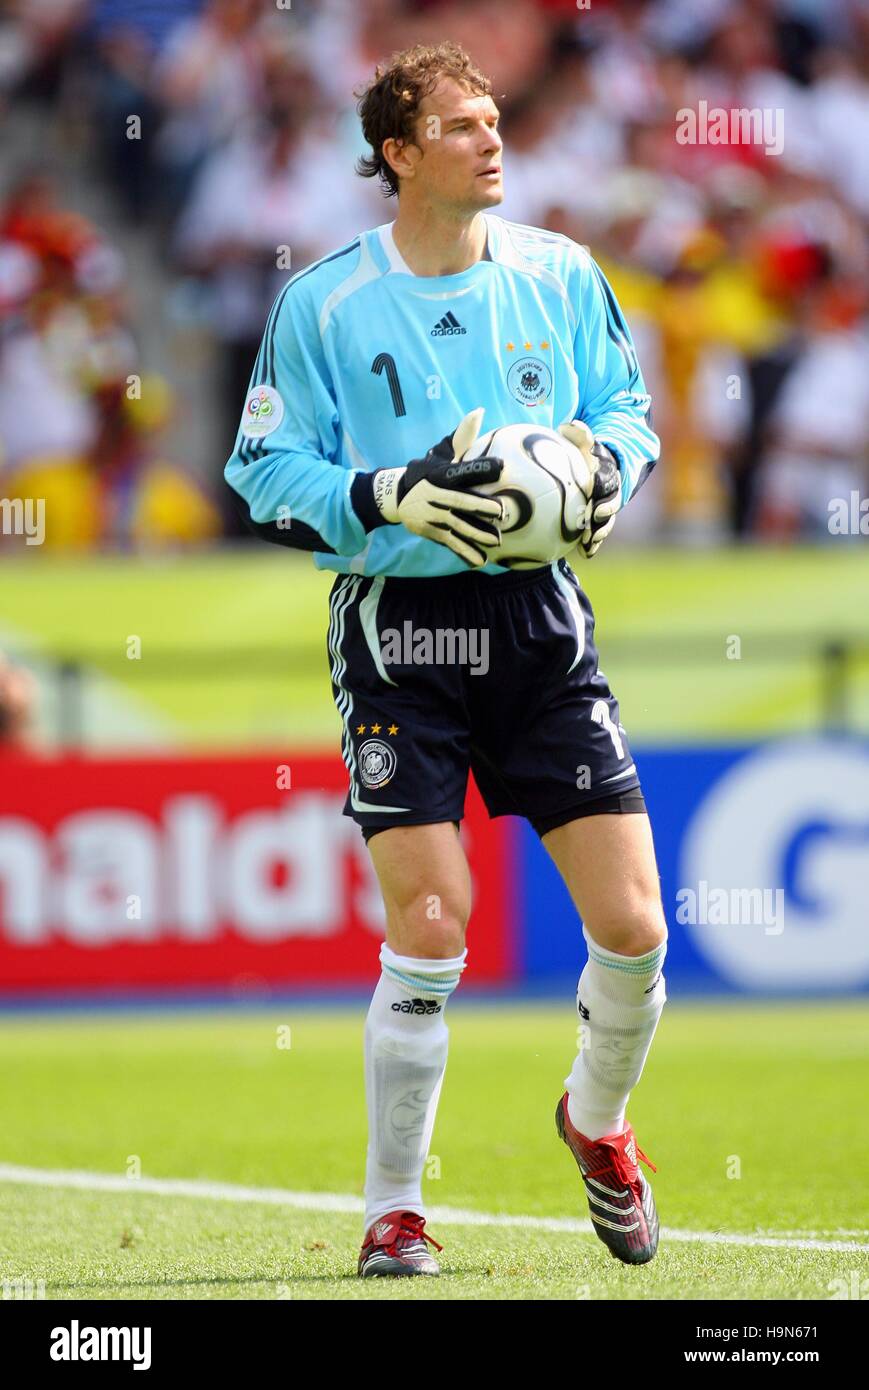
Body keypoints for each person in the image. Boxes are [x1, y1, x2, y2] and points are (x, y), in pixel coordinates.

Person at [225, 41, 667, 1278]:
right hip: (398, 635)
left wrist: (596, 477)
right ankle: (392, 1213)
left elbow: (625, 419)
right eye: (461, 125)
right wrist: (389, 494)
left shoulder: (561, 275)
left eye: (494, 120)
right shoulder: (320, 302)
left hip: (537, 625)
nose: (491, 140)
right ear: (399, 156)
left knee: (632, 928)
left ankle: (594, 1119)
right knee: (429, 920)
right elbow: (260, 469)